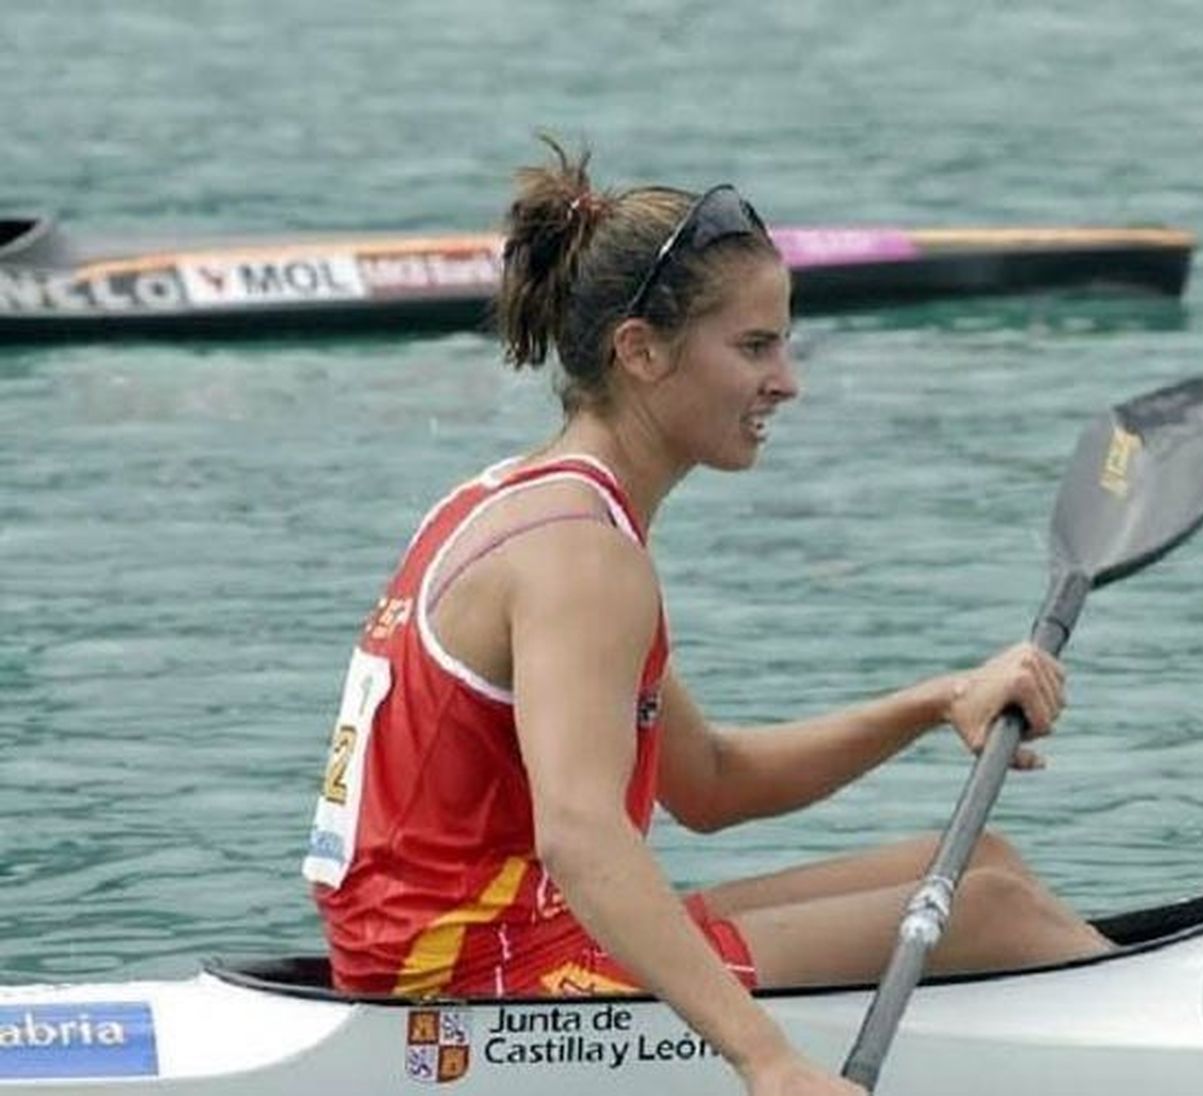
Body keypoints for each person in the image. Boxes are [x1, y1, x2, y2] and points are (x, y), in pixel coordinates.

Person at [302, 139, 1111, 1096]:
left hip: (487, 934)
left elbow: (713, 784)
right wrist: (764, 1059)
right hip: (476, 981)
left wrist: (939, 701)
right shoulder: (580, 554)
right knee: (989, 918)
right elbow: (582, 834)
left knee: (989, 867)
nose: (788, 381)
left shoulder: (519, 500)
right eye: (755, 347)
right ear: (640, 351)